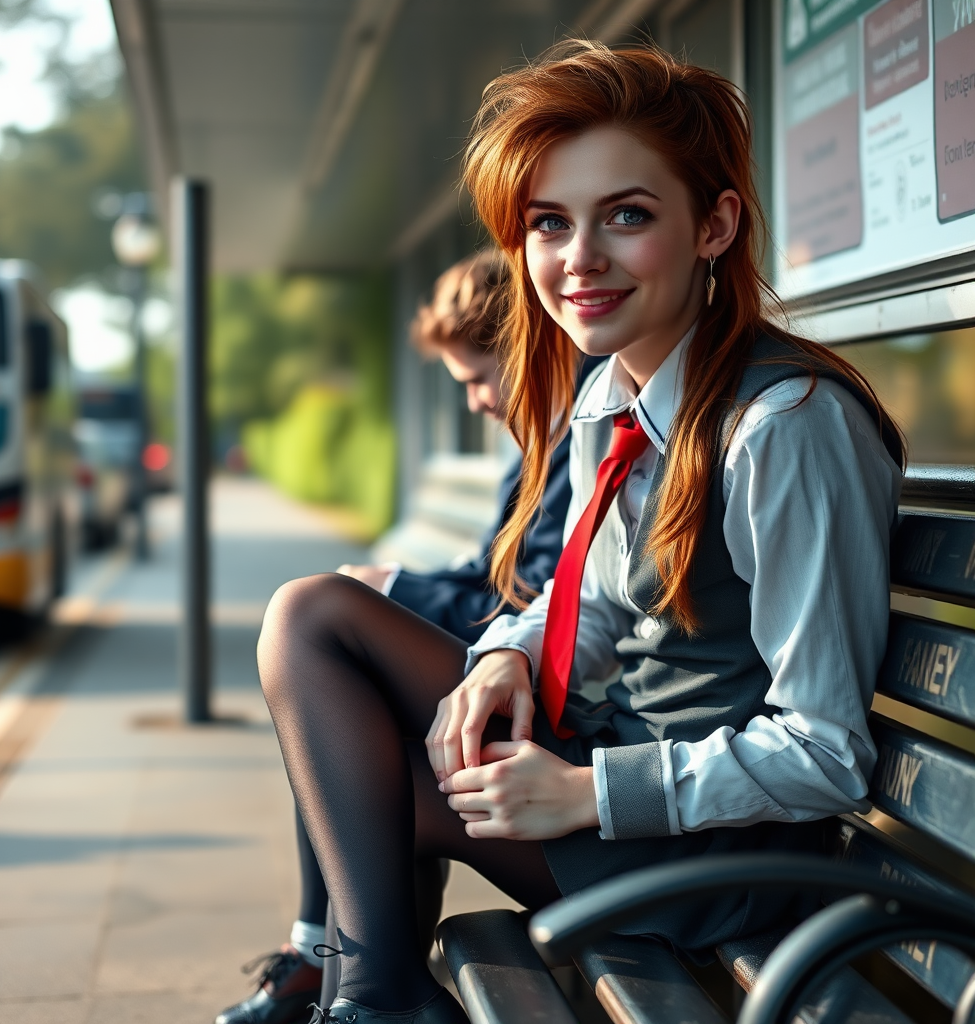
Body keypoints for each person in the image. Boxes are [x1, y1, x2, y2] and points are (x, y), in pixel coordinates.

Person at [255, 40, 905, 1024]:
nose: (578, 260)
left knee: (361, 760)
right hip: (633, 769)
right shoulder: (616, 394)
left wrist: (588, 793)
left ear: (714, 224)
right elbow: (584, 601)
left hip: (724, 852)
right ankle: (375, 1004)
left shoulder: (783, 426)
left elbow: (823, 752)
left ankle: (373, 1004)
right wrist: (503, 657)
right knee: (316, 629)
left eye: (627, 216)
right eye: (548, 223)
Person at [217, 249, 599, 1024]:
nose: (477, 402)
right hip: (556, 702)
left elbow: (526, 597)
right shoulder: (555, 434)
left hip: (585, 739)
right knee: (336, 706)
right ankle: (343, 980)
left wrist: (394, 591)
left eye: (478, 378)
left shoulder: (587, 427)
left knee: (319, 633)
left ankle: (352, 988)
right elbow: (515, 580)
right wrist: (399, 586)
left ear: (530, 344)